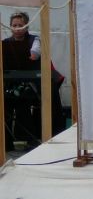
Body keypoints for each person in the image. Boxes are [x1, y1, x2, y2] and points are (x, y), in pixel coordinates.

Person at [2, 11, 65, 151]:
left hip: (33, 84)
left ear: (26, 27)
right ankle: (6, 142)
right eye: (14, 25)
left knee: (23, 99)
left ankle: (31, 138)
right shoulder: (5, 44)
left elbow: (34, 55)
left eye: (20, 25)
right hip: (13, 84)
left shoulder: (35, 40)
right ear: (10, 27)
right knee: (5, 100)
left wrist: (25, 52)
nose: (17, 27)